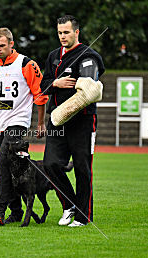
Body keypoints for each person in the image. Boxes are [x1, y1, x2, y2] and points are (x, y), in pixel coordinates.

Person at [0, 27, 48, 225]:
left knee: (2, 162)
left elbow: (40, 95)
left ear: (11, 44)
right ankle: (16, 212)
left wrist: (40, 123)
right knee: (11, 169)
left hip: (18, 122)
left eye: (2, 45)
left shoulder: (26, 64)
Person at [41, 15, 105, 227]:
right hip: (57, 121)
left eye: (66, 32)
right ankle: (69, 205)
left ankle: (82, 217)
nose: (62, 36)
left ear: (77, 32)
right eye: (60, 32)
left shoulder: (88, 56)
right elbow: (43, 86)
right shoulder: (53, 57)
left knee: (82, 168)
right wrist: (56, 83)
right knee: (50, 164)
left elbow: (90, 86)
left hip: (83, 122)